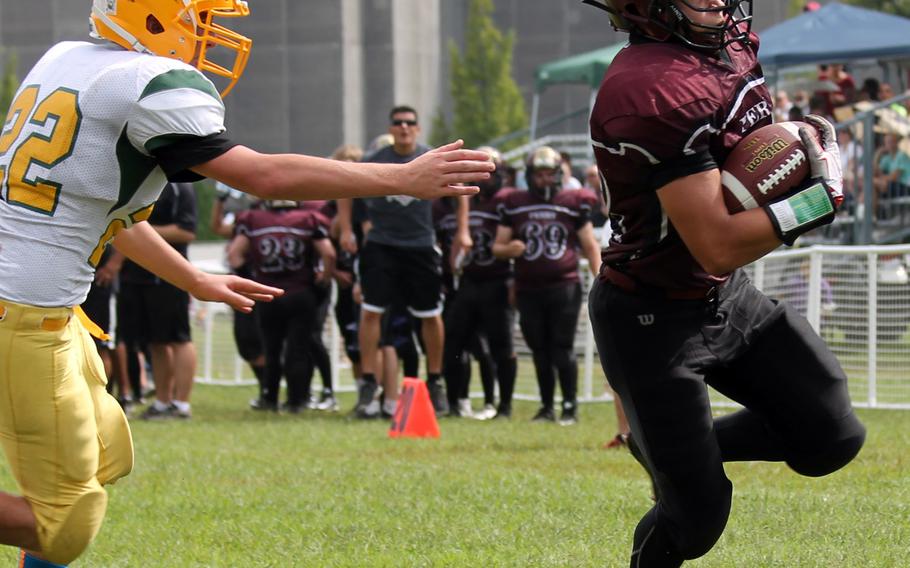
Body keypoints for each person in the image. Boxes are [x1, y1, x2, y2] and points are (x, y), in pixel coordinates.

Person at [0, 2, 493, 565]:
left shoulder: (67, 60)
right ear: (156, 17)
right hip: (23, 312)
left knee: (107, 453)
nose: (210, 38)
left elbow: (109, 214)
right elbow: (261, 175)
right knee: (62, 524)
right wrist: (400, 178)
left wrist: (193, 279)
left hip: (37, 307)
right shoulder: (145, 82)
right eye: (200, 19)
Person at [582, 0, 866, 565]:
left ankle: (667, 452)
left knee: (830, 434)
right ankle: (678, 482)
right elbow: (715, 240)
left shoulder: (730, 46)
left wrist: (795, 140)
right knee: (696, 521)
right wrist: (815, 199)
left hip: (722, 294)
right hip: (649, 314)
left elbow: (740, 155)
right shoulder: (648, 87)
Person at [340, 105, 474, 417]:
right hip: (381, 244)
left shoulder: (429, 156)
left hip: (420, 245)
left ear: (417, 129)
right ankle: (369, 383)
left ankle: (436, 380)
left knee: (430, 314)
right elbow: (345, 187)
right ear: (391, 127)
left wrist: (463, 232)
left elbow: (461, 192)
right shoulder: (376, 159)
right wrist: (346, 228)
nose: (403, 128)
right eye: (398, 123)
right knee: (371, 312)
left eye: (409, 123)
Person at [493, 146, 602, 425]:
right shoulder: (514, 201)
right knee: (538, 348)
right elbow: (498, 247)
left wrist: (601, 280)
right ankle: (546, 407)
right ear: (530, 175)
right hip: (528, 286)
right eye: (538, 174)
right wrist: (511, 249)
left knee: (562, 347)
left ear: (557, 174)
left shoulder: (574, 201)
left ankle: (569, 406)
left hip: (563, 285)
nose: (543, 179)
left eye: (548, 174)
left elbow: (590, 245)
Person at [227, 200, 336, 413]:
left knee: (271, 348)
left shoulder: (253, 219)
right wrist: (324, 278)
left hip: (268, 293)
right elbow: (329, 254)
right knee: (298, 348)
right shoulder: (308, 219)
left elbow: (235, 254)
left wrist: (251, 279)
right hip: (301, 293)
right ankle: (297, 400)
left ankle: (269, 397)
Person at [112, 182, 199, 421]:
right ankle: (162, 402)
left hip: (170, 276)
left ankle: (181, 405)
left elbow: (186, 231)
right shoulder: (138, 183)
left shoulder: (180, 186)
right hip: (137, 276)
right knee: (155, 342)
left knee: (179, 338)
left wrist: (136, 231)